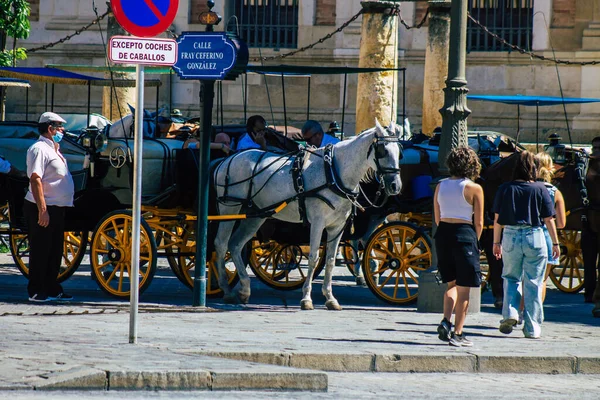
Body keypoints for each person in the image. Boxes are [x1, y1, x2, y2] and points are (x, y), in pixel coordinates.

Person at [492, 151, 559, 339]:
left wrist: (496, 242)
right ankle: (532, 328)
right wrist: (555, 242)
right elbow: (549, 219)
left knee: (510, 277)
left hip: (511, 236)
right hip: (535, 236)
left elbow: (497, 219)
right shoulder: (540, 189)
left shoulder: (505, 189)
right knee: (534, 282)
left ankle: (510, 314)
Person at [434, 147, 484, 347]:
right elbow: (478, 222)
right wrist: (476, 241)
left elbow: (437, 217)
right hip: (464, 234)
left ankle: (446, 320)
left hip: (443, 233)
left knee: (451, 284)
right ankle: (458, 333)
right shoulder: (474, 188)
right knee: (465, 290)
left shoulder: (440, 185)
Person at [24, 112, 75, 302]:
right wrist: (42, 209)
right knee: (40, 250)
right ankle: (36, 290)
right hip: (43, 206)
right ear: (49, 128)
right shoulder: (38, 149)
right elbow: (35, 179)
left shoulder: (54, 149)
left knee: (54, 250)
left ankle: (52, 287)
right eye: (59, 126)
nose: (62, 130)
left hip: (57, 207)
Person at [583, 136, 600, 303]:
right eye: (594, 148)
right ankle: (589, 292)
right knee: (588, 257)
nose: (595, 152)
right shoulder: (585, 169)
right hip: (587, 217)